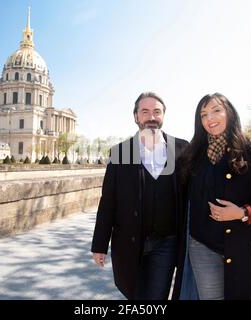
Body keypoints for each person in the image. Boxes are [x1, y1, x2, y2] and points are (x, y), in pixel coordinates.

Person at [173, 93, 251, 300]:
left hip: (242, 244)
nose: (209, 118)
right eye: (203, 114)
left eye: (216, 110)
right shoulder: (191, 155)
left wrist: (243, 212)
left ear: (229, 113)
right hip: (201, 245)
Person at [91, 92, 189, 300]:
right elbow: (108, 202)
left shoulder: (182, 148)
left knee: (157, 296)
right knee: (134, 294)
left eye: (156, 112)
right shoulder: (120, 152)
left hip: (167, 242)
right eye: (145, 112)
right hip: (128, 241)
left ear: (163, 116)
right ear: (136, 116)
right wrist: (99, 245)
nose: (151, 117)